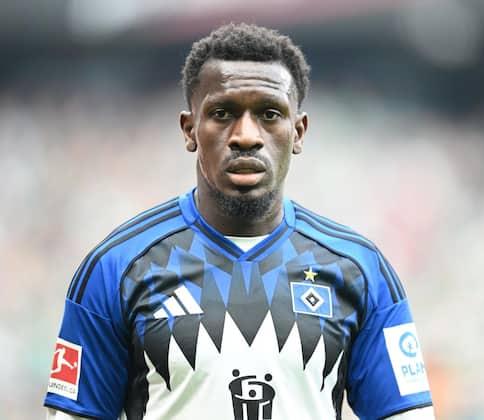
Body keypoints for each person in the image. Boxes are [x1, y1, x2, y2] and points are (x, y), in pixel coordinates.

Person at [44, 23, 434, 420]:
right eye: (222, 113)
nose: (246, 135)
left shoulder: (359, 269)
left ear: (298, 132)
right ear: (190, 129)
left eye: (269, 114)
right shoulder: (117, 267)